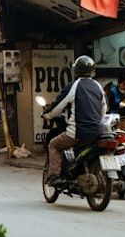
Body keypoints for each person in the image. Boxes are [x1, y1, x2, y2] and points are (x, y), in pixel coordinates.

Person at [42, 55, 106, 184]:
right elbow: (103, 108)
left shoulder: (74, 86)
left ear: (76, 71)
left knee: (54, 145)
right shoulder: (98, 86)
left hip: (77, 132)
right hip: (97, 131)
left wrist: (47, 115)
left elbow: (58, 105)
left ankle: (53, 176)